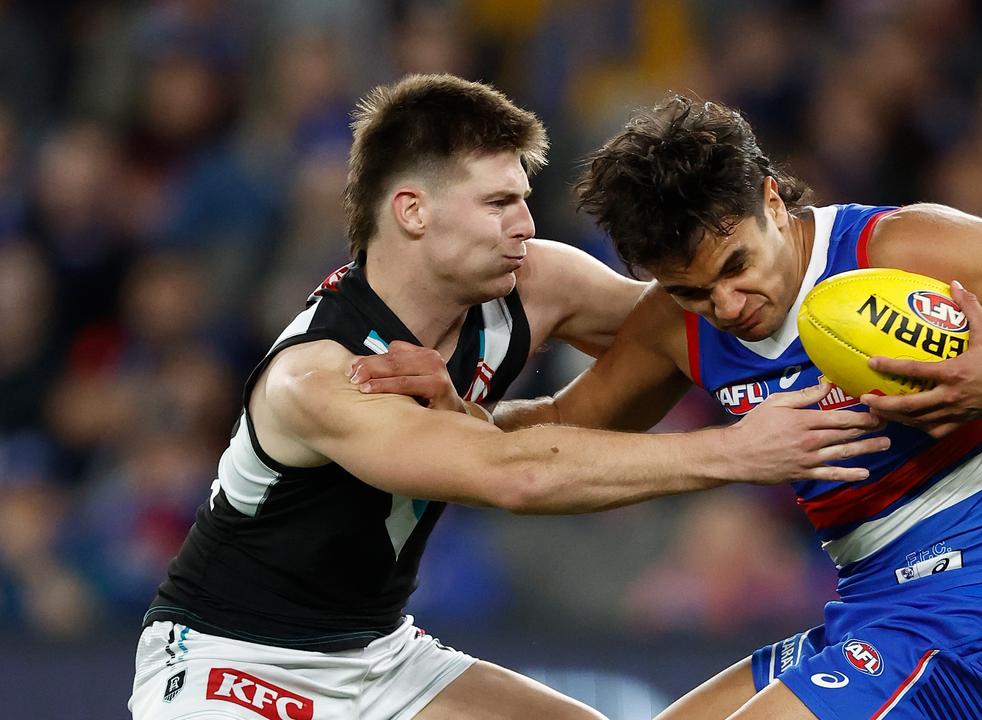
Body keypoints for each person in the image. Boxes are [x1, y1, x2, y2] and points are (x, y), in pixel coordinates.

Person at [351, 95, 982, 719]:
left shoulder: (895, 252)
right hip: (868, 613)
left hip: (978, 625)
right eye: (690, 289)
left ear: (772, 199)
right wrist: (453, 419)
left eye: (735, 267)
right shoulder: (678, 324)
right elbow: (560, 434)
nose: (726, 305)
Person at [127, 76, 888, 720]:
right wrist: (737, 451)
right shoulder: (320, 374)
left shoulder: (537, 282)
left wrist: (919, 344)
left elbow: (703, 334)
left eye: (524, 199)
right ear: (413, 211)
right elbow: (511, 474)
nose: (525, 224)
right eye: (498, 203)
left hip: (381, 652)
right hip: (232, 658)